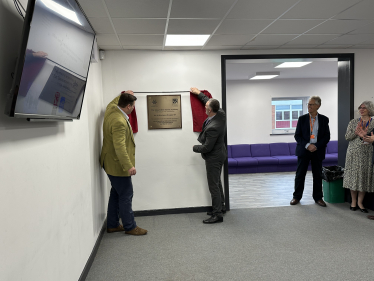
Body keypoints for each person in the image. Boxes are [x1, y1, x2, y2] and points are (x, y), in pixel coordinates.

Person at [100, 91, 147, 235]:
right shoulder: (119, 121)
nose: (133, 108)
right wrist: (129, 166)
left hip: (109, 162)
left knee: (116, 193)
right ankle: (130, 226)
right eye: (133, 106)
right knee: (126, 194)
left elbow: (112, 102)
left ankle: (113, 224)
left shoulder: (111, 110)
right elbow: (119, 146)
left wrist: (125, 93)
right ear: (128, 106)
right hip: (117, 165)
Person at [191, 87, 227, 224]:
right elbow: (207, 100)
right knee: (217, 182)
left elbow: (207, 147)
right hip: (220, 154)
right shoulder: (220, 113)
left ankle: (217, 214)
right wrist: (198, 93)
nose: (205, 106)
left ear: (210, 110)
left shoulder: (214, 127)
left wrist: (195, 148)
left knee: (213, 185)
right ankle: (221, 206)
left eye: (206, 107)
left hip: (214, 157)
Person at [290, 96, 330, 207]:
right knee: (300, 175)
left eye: (311, 104)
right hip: (304, 150)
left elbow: (327, 136)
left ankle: (318, 198)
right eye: (308, 104)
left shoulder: (324, 119)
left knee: (317, 175)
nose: (309, 106)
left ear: (318, 106)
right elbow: (297, 136)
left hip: (317, 151)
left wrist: (316, 146)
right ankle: (296, 197)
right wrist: (308, 145)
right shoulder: (302, 119)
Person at [345, 101, 374, 213]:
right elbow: (347, 137)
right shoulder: (353, 122)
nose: (361, 109)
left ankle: (360, 203)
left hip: (367, 153)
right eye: (360, 107)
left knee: (364, 177)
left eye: (364, 108)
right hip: (353, 153)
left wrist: (364, 135)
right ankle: (353, 201)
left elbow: (371, 139)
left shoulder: (373, 123)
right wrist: (356, 133)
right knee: (354, 177)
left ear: (369, 109)